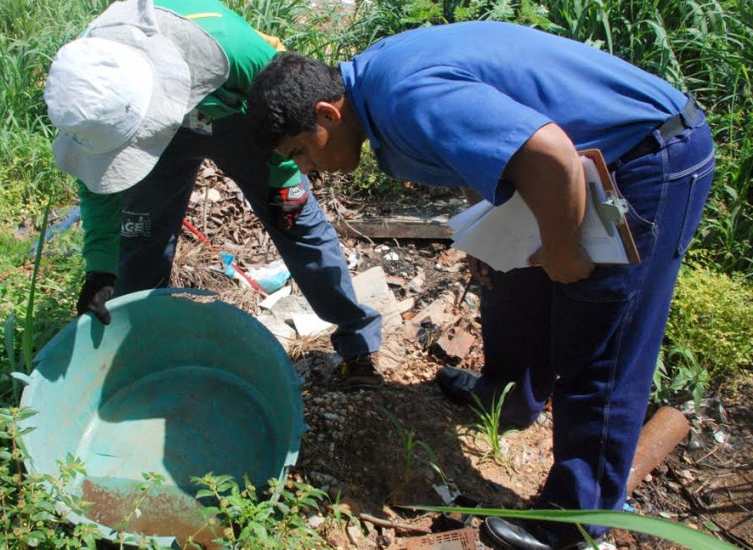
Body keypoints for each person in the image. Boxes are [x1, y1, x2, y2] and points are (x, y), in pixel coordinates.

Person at [245, 21, 714, 549]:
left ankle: (576, 519)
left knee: (600, 344)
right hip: (573, 165)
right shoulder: (367, 86)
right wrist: (486, 232)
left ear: (327, 115)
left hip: (642, 158)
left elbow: (551, 153)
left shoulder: (406, 98)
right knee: (508, 278)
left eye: (304, 154)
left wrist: (562, 249)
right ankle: (508, 400)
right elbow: (479, 151)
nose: (310, 170)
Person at [43, 0, 384, 390]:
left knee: (294, 220)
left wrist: (283, 181)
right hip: (155, 129)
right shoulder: (88, 89)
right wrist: (101, 264)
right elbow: (98, 180)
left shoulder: (227, 48)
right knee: (139, 237)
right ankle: (136, 352)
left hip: (242, 109)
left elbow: (288, 107)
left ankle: (357, 341)